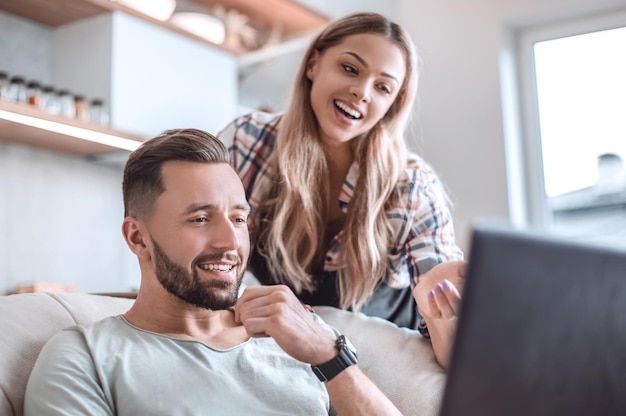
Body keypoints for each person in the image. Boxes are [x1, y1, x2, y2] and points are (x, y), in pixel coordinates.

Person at [24, 129, 402, 416]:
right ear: (138, 238)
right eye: (201, 218)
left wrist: (328, 358)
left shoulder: (307, 339)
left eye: (238, 218)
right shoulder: (85, 357)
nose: (230, 241)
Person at [218, 12, 465, 367]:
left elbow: (451, 354)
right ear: (314, 64)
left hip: (372, 364)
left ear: (392, 104)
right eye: (350, 69)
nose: (361, 92)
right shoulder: (248, 140)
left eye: (382, 87)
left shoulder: (413, 187)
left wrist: (443, 308)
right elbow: (199, 237)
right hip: (285, 353)